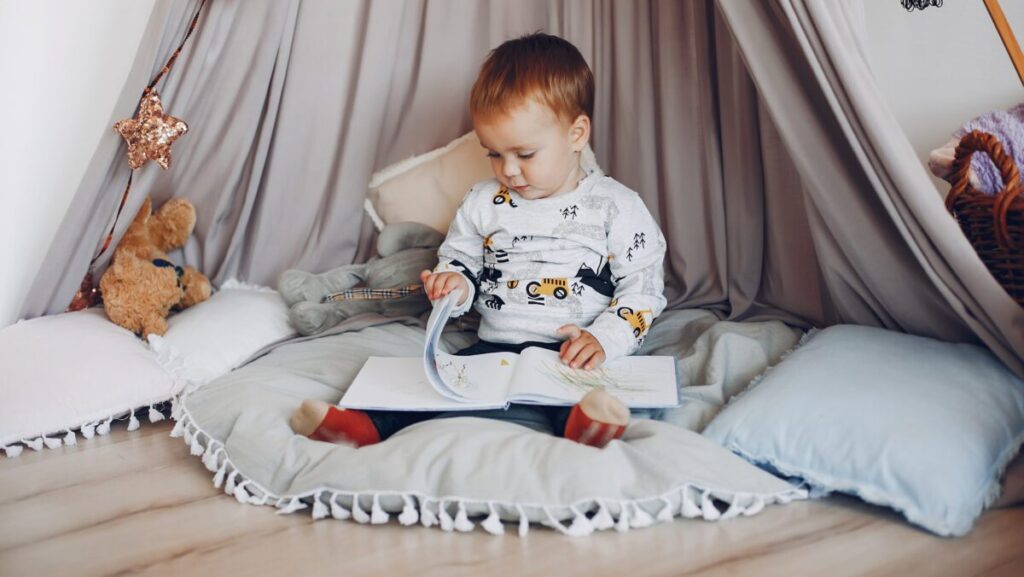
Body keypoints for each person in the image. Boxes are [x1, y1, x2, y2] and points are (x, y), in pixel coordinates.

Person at [292, 32, 667, 448]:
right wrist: (453, 285)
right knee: (435, 384)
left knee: (576, 393)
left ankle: (588, 425)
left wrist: (605, 339)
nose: (509, 170)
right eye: (494, 153)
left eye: (525, 154)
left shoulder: (616, 206)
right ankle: (362, 425)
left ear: (577, 134)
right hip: (493, 348)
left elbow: (644, 286)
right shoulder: (484, 201)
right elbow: (460, 260)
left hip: (571, 351)